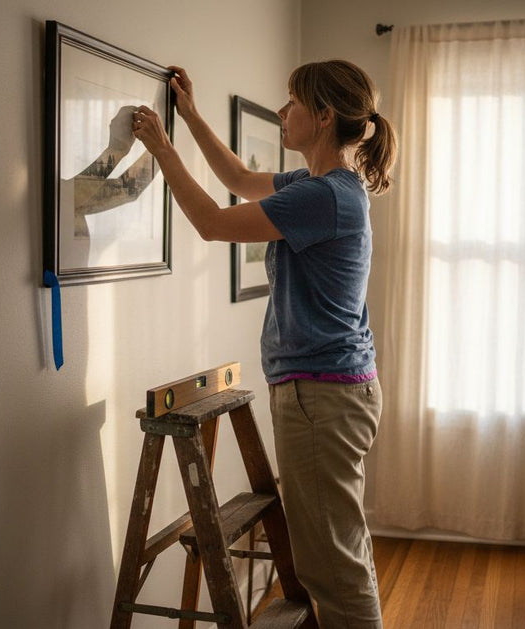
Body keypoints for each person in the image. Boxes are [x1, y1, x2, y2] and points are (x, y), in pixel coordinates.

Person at [132, 60, 397, 629]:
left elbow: (210, 220)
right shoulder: (317, 186)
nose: (283, 112)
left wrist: (162, 148)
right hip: (327, 393)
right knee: (337, 554)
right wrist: (192, 116)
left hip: (321, 399)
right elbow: (236, 180)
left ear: (323, 117)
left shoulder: (325, 197)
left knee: (333, 570)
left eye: (293, 102)